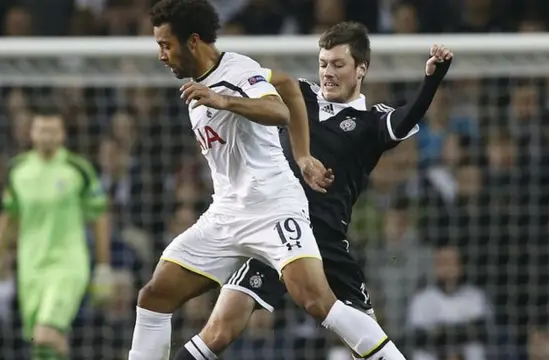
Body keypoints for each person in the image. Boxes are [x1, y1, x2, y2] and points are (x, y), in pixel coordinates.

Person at [127, 1, 410, 360]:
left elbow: (278, 109)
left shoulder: (235, 72)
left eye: (166, 45)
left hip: (274, 208)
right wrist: (304, 154)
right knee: (154, 296)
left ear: (193, 41)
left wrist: (225, 101)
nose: (161, 55)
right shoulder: (207, 80)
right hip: (226, 215)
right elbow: (289, 85)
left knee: (316, 300)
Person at [172, 22, 453, 360]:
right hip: (274, 232)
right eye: (323, 64)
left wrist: (432, 80)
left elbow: (405, 120)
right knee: (218, 331)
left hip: (326, 241)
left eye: (338, 65)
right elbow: (247, 78)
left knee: (365, 344)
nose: (328, 73)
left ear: (361, 69)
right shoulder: (299, 95)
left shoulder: (371, 123)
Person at [0, 109, 113, 360]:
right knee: (42, 346)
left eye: (53, 131)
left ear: (62, 135)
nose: (47, 136)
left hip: (67, 265)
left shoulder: (77, 169)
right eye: (42, 130)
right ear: (31, 133)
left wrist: (102, 265)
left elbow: (98, 218)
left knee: (46, 333)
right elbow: (9, 218)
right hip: (30, 268)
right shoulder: (18, 170)